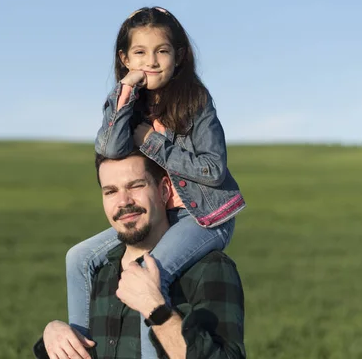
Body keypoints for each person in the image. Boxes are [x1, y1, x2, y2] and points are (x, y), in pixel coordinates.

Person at [65, 6, 247, 358]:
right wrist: (126, 89)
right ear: (124, 58)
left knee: (147, 279)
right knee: (78, 257)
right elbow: (108, 147)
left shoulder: (195, 101)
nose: (151, 61)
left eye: (161, 51)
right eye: (139, 53)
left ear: (178, 56)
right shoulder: (132, 101)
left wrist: (151, 141)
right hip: (163, 214)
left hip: (205, 218)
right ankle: (78, 348)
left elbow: (212, 170)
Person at [34, 151, 246, 358]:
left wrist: (158, 313)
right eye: (110, 191)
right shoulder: (99, 271)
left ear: (164, 191)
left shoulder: (209, 268)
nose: (124, 201)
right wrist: (51, 339)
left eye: (136, 186)